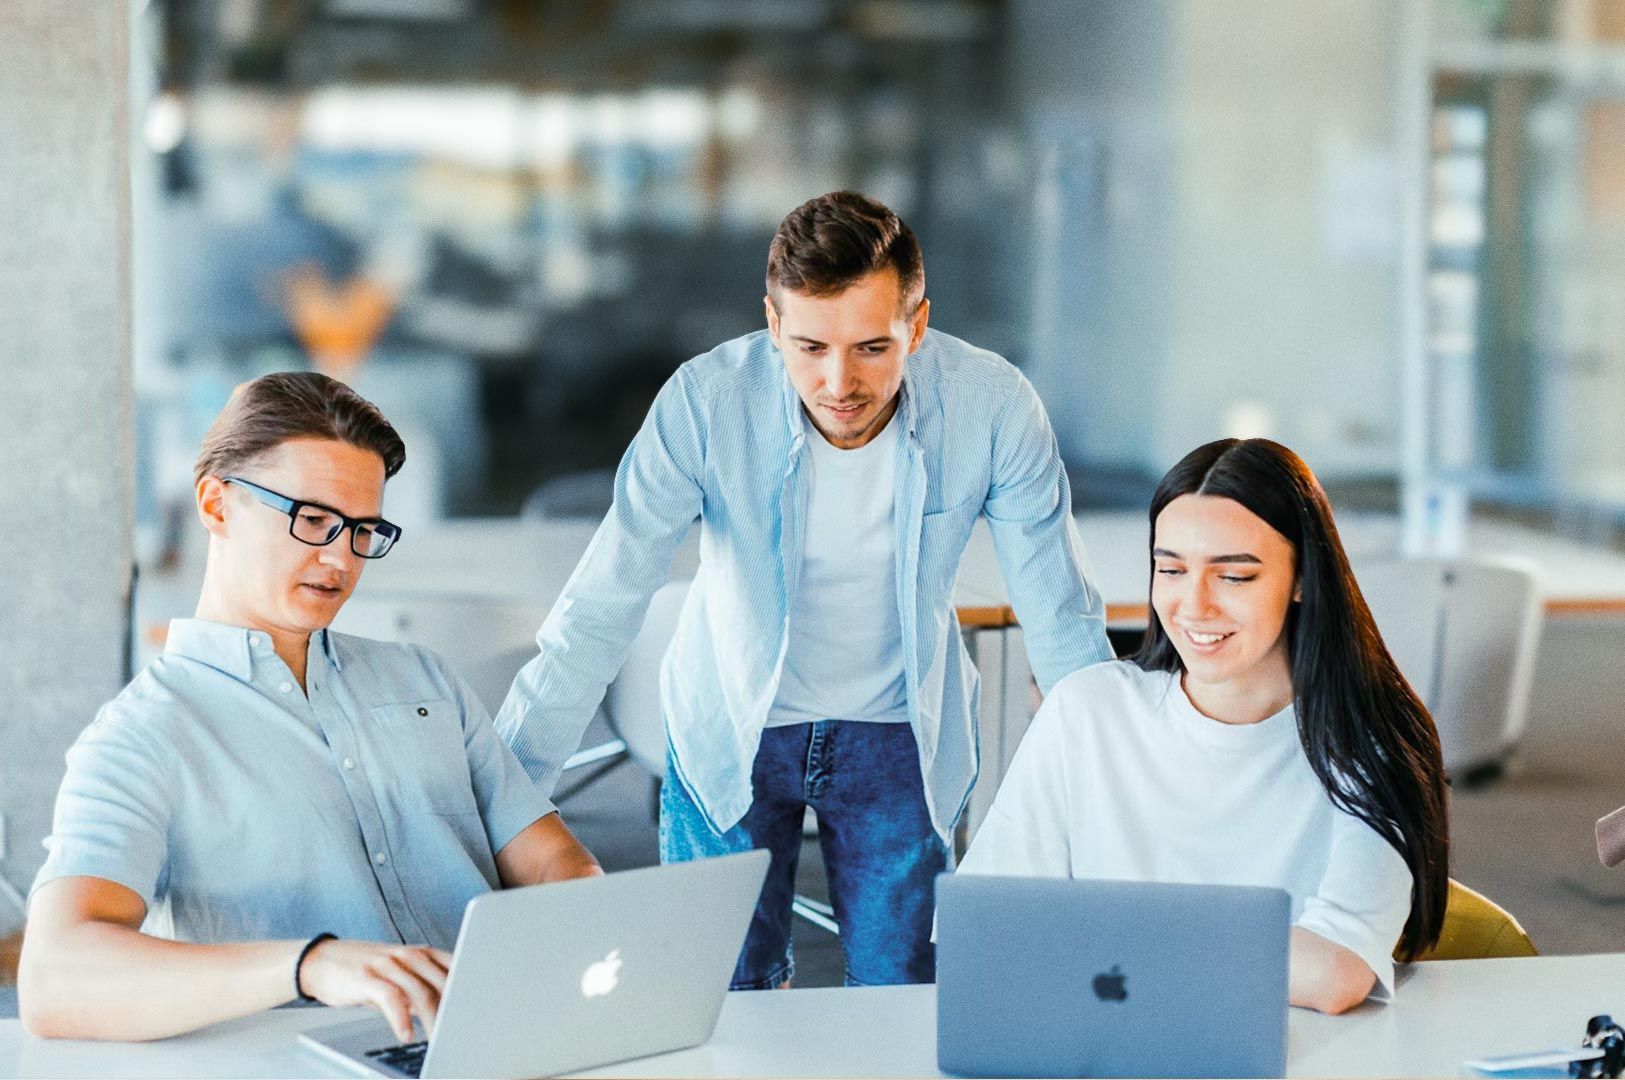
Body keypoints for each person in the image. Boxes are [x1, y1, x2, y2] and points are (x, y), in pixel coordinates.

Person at [497, 191, 1112, 989]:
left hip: (899, 735)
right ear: (772, 322)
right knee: (722, 998)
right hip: (730, 730)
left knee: (901, 1001)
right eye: (809, 346)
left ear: (917, 327)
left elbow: (1060, 614)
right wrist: (507, 801)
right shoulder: (704, 402)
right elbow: (600, 606)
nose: (837, 381)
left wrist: (1115, 798)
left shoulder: (991, 404)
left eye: (871, 348)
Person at [20, 372, 601, 1043]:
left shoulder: (424, 681)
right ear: (215, 505)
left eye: (362, 529)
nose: (340, 559)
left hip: (502, 1044)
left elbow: (554, 861)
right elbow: (53, 980)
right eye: (313, 519)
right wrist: (310, 965)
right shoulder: (143, 735)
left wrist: (586, 935)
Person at [955, 438, 1449, 1014]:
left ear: (1303, 579)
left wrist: (1103, 944)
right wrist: (1232, 954)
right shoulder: (1086, 712)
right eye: (1171, 569)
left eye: (1233, 577)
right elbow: (988, 931)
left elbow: (1336, 971)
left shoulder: (1369, 742)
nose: (1194, 606)